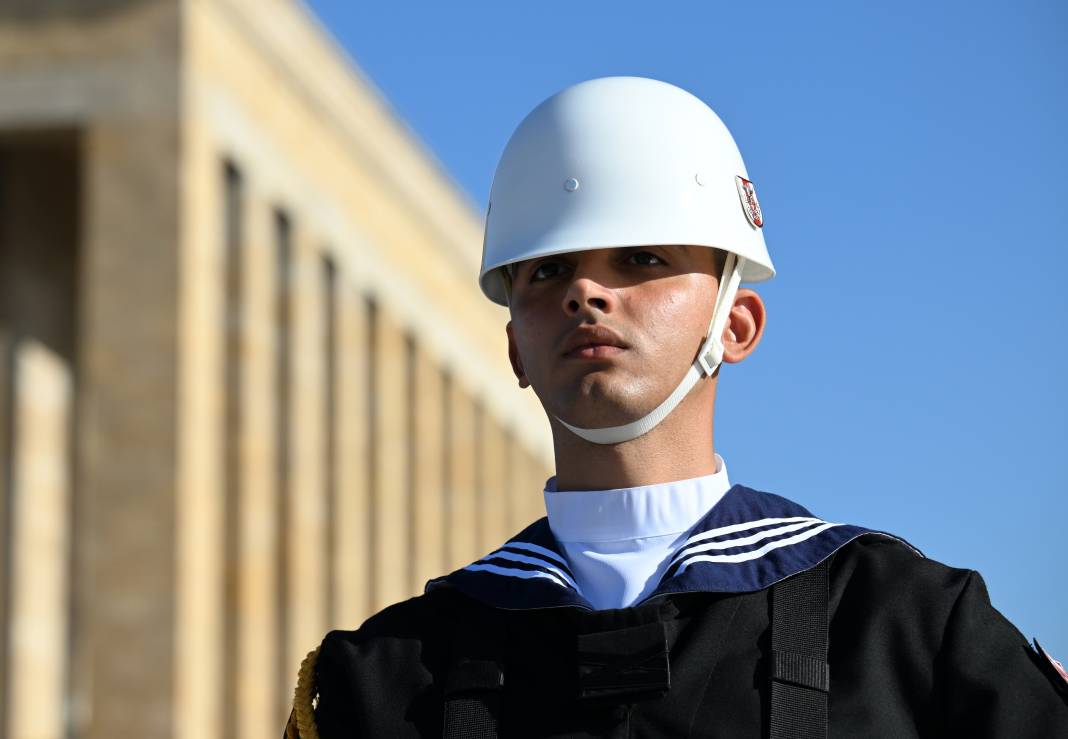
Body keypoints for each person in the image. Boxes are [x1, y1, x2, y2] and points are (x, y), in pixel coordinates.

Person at [285, 76, 1068, 738]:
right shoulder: (384, 677)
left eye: (642, 258)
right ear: (515, 347)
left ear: (736, 324)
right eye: (548, 271)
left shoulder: (908, 627)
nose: (586, 293)